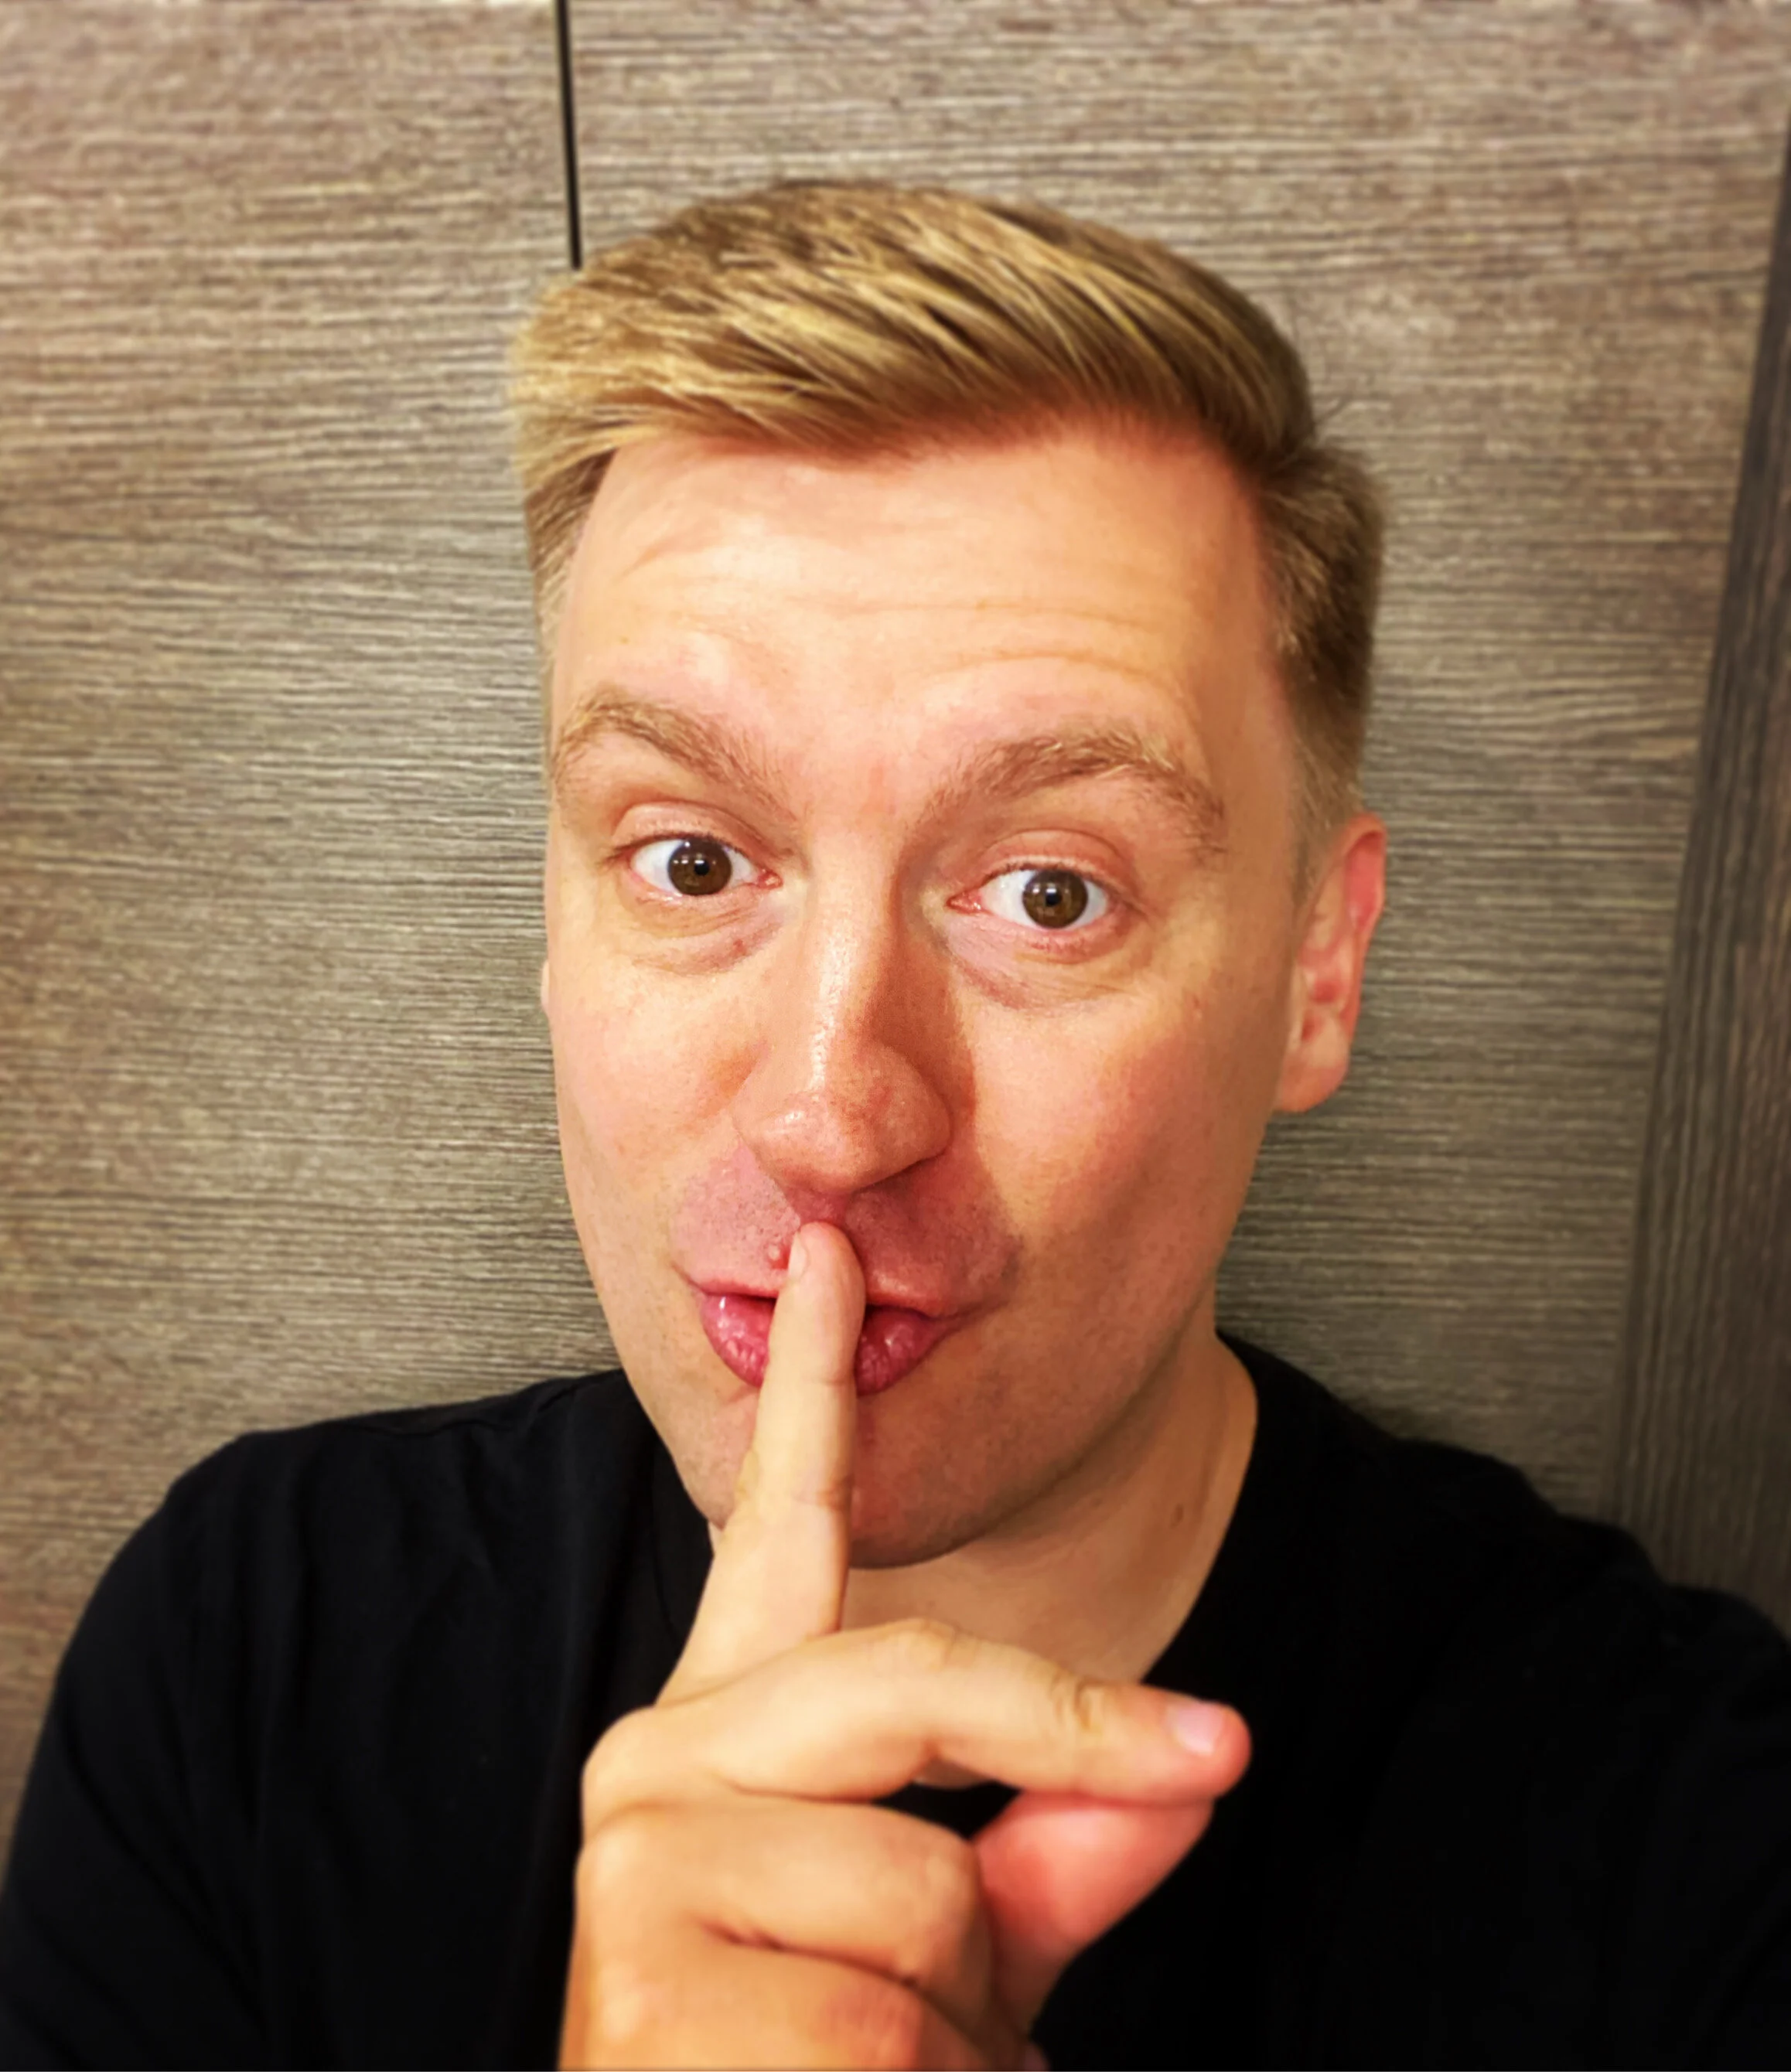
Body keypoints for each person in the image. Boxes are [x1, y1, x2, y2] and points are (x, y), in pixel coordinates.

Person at [2, 179, 1788, 2071]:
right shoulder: (250, 1648)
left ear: (1316, 969)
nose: (830, 1116)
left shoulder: (1695, 1845)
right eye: (692, 859)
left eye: (1049, 892)